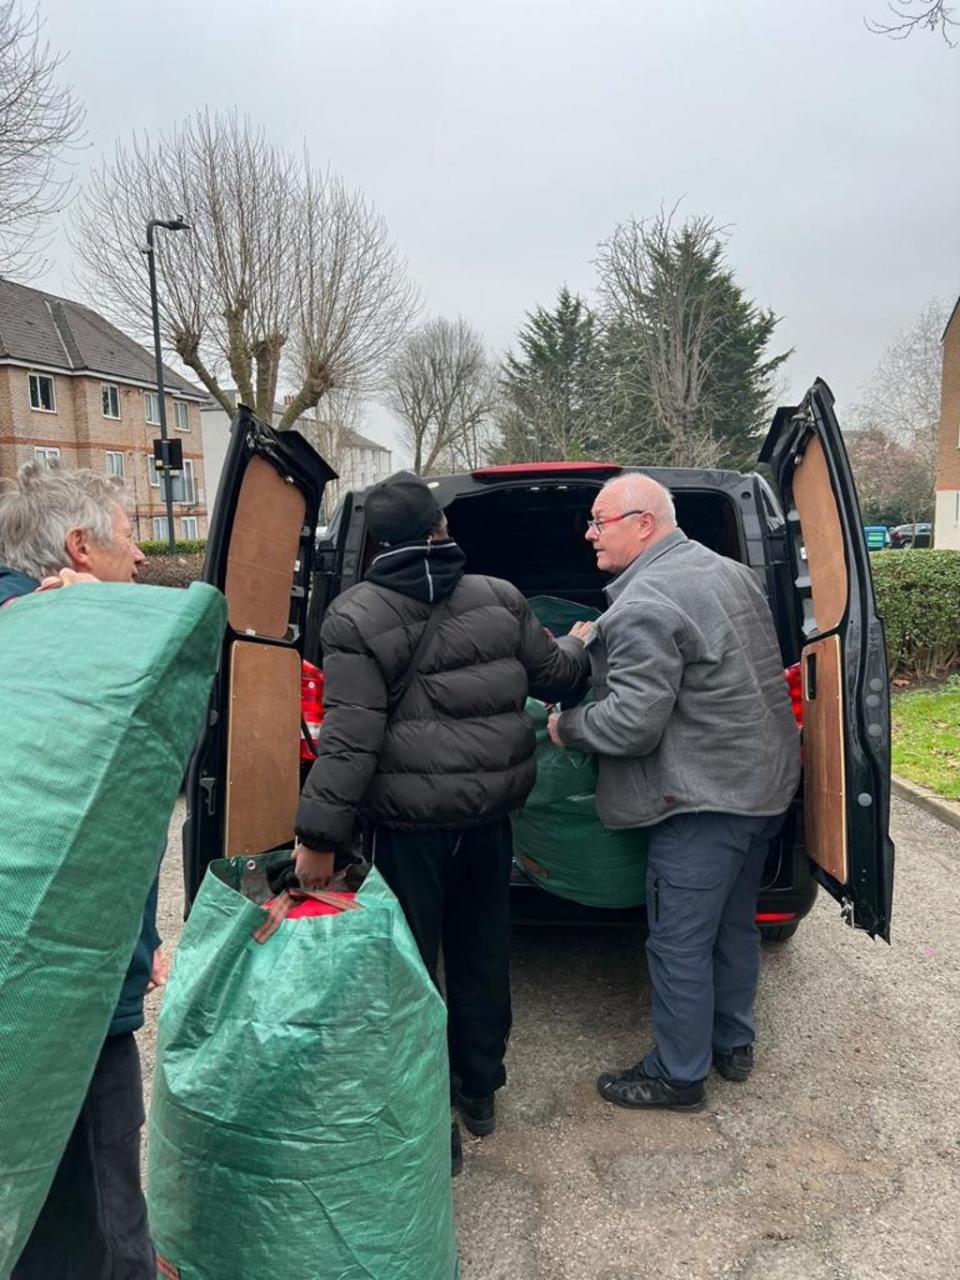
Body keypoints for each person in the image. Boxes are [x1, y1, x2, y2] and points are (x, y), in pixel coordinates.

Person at [292, 472, 589, 1161]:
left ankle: (429, 1124)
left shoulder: (354, 615)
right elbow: (558, 678)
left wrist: (317, 837)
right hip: (487, 822)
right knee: (484, 953)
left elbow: (350, 739)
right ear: (441, 529)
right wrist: (581, 643)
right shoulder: (500, 598)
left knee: (411, 971)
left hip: (406, 828)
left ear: (375, 543)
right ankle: (480, 1091)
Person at [547, 472, 801, 1112]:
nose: (587, 533)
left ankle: (678, 1075)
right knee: (731, 924)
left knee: (678, 942)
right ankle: (731, 1044)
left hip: (701, 803)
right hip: (763, 785)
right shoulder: (729, 573)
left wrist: (565, 726)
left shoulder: (644, 603)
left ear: (643, 522)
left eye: (598, 521)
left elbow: (630, 726)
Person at [0, 462, 162, 1279]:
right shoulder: (61, 650)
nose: (139, 557)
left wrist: (148, 936)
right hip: (64, 1004)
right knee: (99, 1207)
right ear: (79, 546)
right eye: (129, 534)